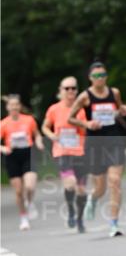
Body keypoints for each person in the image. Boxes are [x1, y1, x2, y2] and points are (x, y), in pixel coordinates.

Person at [67, 62, 126, 238]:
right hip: (94, 143)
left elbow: (119, 109)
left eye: (102, 75)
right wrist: (87, 123)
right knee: (100, 187)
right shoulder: (84, 97)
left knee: (115, 181)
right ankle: (93, 198)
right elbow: (70, 118)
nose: (99, 79)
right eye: (96, 76)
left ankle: (114, 223)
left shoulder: (114, 93)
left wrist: (123, 110)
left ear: (106, 76)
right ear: (90, 78)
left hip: (113, 140)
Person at [41, 77, 88, 232]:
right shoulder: (54, 109)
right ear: (60, 91)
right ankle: (71, 210)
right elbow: (45, 127)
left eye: (73, 88)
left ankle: (79, 219)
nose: (70, 91)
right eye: (66, 88)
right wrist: (52, 136)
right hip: (62, 152)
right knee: (70, 183)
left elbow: (84, 131)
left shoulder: (80, 109)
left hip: (79, 152)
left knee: (81, 190)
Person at [0, 95, 44, 230]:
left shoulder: (29, 120)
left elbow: (37, 134)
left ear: (19, 106)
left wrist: (39, 142)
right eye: (11, 105)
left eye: (16, 105)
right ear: (7, 107)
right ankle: (23, 217)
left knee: (30, 186)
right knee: (19, 191)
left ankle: (29, 203)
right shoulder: (3, 123)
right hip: (12, 156)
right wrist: (4, 148)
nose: (14, 107)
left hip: (27, 154)